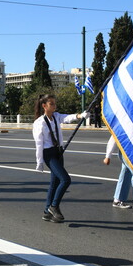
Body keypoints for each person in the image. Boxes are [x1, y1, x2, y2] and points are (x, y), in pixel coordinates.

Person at [32, 94, 86, 223]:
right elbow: (38, 144)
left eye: (55, 103)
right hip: (49, 154)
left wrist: (80, 116)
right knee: (65, 179)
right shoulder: (39, 123)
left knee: (54, 183)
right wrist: (39, 162)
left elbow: (66, 118)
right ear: (44, 106)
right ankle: (54, 206)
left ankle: (46, 212)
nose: (55, 106)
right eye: (52, 104)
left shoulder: (56, 116)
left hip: (58, 152)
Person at [104, 136, 133, 212]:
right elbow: (114, 138)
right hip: (128, 153)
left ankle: (117, 200)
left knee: (125, 174)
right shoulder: (124, 124)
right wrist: (108, 156)